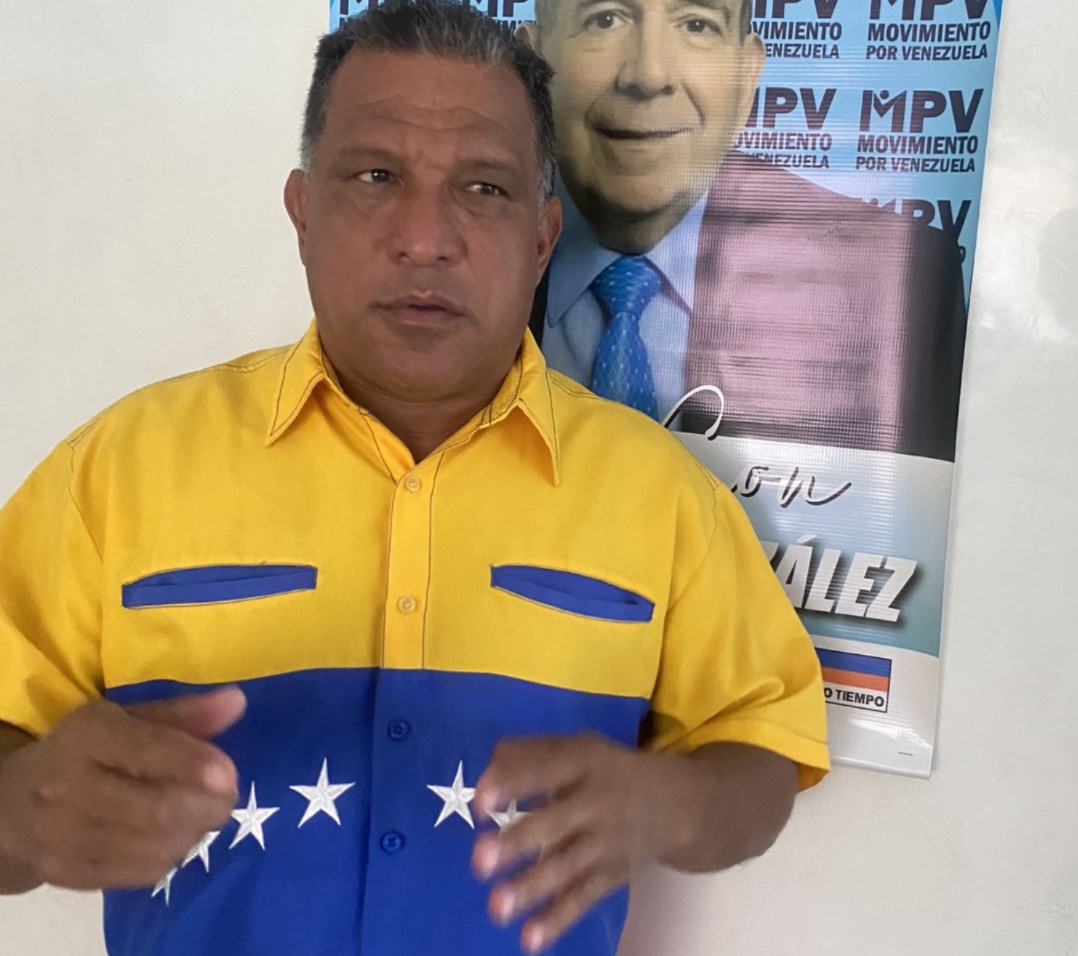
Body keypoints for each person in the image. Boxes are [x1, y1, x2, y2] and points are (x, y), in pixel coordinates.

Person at [0, 3, 828, 954]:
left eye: (483, 187)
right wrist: (21, 813)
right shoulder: (120, 470)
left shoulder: (661, 496)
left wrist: (664, 804)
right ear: (303, 212)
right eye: (375, 177)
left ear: (543, 237)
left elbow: (761, 756)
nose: (426, 237)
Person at [522, 0, 969, 461]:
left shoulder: (904, 283)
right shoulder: (474, 253)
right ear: (532, 66)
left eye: (697, 25)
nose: (649, 75)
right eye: (605, 19)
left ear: (747, 74)